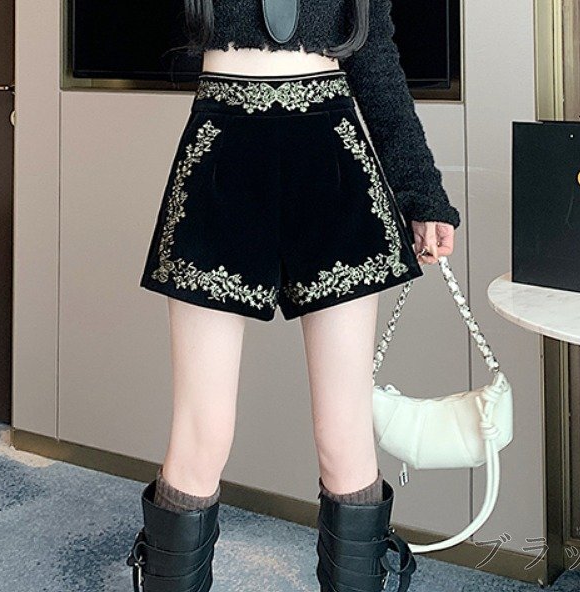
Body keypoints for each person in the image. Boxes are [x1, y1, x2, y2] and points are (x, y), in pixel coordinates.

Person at [126, 1, 460, 590]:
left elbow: (375, 59)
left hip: (331, 155)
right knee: (202, 433)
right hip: (222, 151)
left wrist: (422, 194)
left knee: (344, 435)